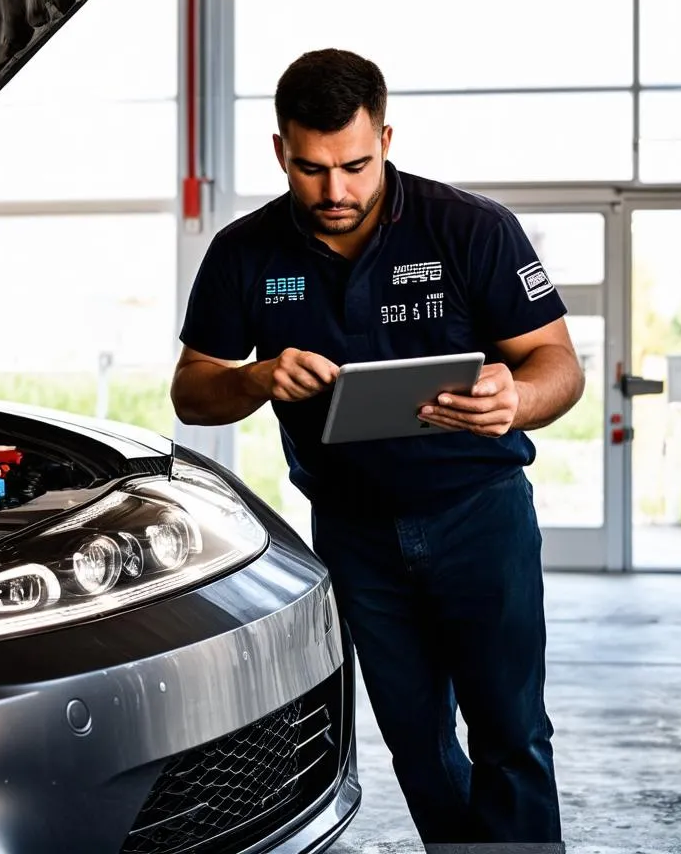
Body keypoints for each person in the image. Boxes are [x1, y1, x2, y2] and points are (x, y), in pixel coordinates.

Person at [170, 49, 583, 850]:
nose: (336, 191)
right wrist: (257, 377)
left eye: (355, 165)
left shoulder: (470, 229)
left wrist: (517, 398)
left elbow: (559, 366)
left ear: (386, 138)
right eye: (311, 169)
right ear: (280, 150)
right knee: (417, 745)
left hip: (480, 517)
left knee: (512, 734)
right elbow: (193, 389)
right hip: (354, 535)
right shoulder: (244, 253)